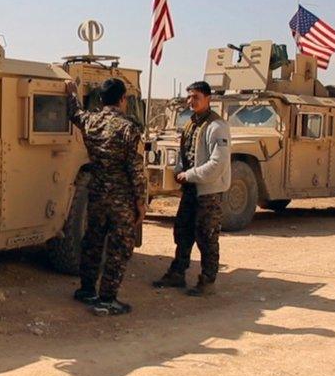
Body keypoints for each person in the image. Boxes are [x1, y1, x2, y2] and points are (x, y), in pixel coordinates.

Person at [65, 78, 146, 316]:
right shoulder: (127, 127)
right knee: (119, 248)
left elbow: (75, 113)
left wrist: (71, 94)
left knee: (93, 242)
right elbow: (135, 169)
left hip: (97, 192)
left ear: (101, 99)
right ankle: (107, 299)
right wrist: (140, 203)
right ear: (123, 100)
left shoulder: (92, 121)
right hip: (121, 198)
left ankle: (87, 290)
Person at [153, 80, 231, 296]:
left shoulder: (217, 126)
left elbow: (218, 164)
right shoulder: (191, 124)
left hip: (208, 191)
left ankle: (207, 281)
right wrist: (180, 169)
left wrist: (190, 175)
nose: (191, 101)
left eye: (196, 97)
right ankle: (177, 273)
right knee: (183, 231)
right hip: (190, 189)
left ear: (208, 99)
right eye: (189, 97)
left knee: (206, 237)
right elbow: (185, 154)